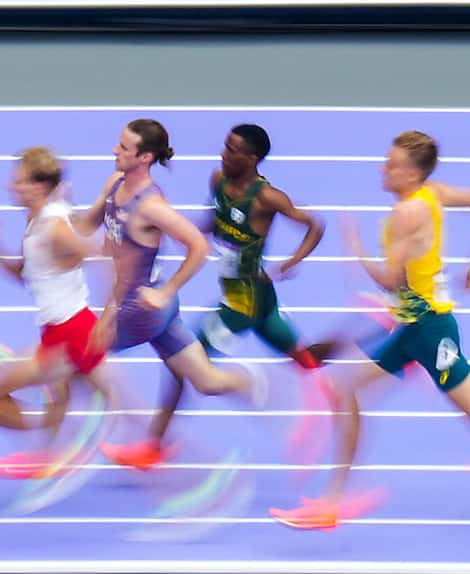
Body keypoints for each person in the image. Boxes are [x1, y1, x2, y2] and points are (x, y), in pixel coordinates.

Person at [273, 131, 470, 531]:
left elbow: (389, 279)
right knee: (344, 389)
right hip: (411, 327)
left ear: (410, 174)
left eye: (391, 164)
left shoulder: (408, 214)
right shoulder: (432, 192)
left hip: (430, 332)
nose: (383, 169)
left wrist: (355, 248)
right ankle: (333, 501)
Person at [121, 120, 329, 467]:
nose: (223, 153)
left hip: (242, 302)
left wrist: (292, 262)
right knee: (301, 354)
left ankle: (154, 446)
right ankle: (334, 365)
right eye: (225, 145)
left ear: (251, 158)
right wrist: (175, 226)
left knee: (184, 364)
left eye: (232, 150)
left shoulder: (267, 198)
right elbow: (213, 223)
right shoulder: (218, 181)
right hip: (260, 300)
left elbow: (314, 225)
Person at [85, 119, 264, 470]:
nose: (114, 151)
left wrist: (165, 291)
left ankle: (56, 447)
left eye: (123, 147)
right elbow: (90, 228)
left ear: (145, 157)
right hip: (154, 308)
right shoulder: (114, 185)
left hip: (141, 309)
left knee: (77, 355)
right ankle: (253, 383)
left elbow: (197, 246)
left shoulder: (151, 206)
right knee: (206, 381)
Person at [0, 146, 125, 479]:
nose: (10, 187)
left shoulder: (55, 227)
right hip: (61, 329)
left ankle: (58, 437)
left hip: (72, 334)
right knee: (105, 403)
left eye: (18, 181)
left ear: (38, 187)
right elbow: (26, 274)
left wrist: (109, 317)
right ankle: (52, 456)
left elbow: (102, 258)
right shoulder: (38, 218)